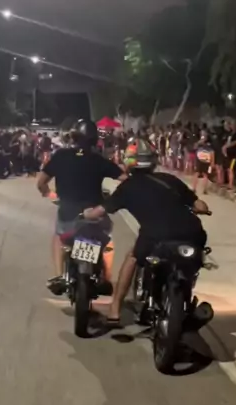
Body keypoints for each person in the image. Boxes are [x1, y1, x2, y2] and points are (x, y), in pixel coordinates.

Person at [83, 139, 211, 325]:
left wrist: (86, 214)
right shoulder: (169, 180)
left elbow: (99, 211)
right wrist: (203, 209)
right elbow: (200, 205)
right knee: (195, 260)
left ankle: (115, 309)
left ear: (129, 161)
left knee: (132, 257)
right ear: (153, 161)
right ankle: (187, 288)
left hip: (155, 236)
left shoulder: (127, 187)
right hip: (192, 232)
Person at [36, 119, 125, 292]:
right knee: (106, 239)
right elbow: (125, 179)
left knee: (59, 237)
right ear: (94, 139)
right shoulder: (99, 160)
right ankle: (105, 275)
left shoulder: (60, 156)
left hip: (68, 212)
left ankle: (60, 276)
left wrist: (49, 194)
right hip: (95, 213)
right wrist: (116, 198)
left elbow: (41, 182)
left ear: (73, 137)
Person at [192, 129, 215, 195]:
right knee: (196, 173)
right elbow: (194, 148)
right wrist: (199, 142)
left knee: (205, 175)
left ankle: (205, 189)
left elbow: (212, 152)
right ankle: (194, 189)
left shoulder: (210, 142)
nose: (203, 135)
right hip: (199, 160)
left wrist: (212, 162)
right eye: (202, 133)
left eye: (204, 133)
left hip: (206, 161)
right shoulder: (199, 142)